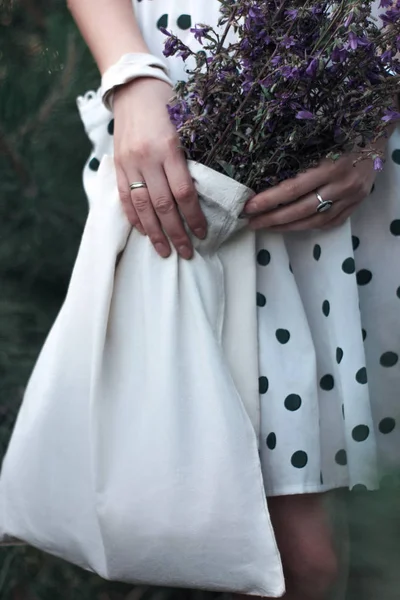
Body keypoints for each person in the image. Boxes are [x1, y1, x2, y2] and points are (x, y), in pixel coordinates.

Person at [68, 1, 400, 598]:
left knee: (348, 543)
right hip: (184, 115)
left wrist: (380, 111)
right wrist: (131, 75)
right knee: (297, 559)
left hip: (358, 106)